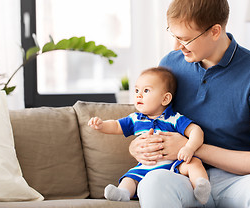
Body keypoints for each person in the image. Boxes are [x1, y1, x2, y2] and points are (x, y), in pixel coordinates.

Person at [129, 0, 250, 207]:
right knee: (152, 182)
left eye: (185, 39)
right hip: (183, 176)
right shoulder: (170, 64)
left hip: (237, 181)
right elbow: (150, 121)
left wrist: (190, 146)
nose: (178, 46)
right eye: (174, 35)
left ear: (215, 31)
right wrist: (137, 148)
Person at [88, 67, 211, 204]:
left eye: (146, 90)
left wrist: (189, 148)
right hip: (146, 165)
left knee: (194, 163)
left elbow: (196, 131)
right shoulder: (136, 119)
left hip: (175, 165)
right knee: (129, 178)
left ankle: (201, 186)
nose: (139, 95)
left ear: (165, 99)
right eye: (136, 91)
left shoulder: (174, 118)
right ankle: (123, 193)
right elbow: (116, 125)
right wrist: (101, 125)